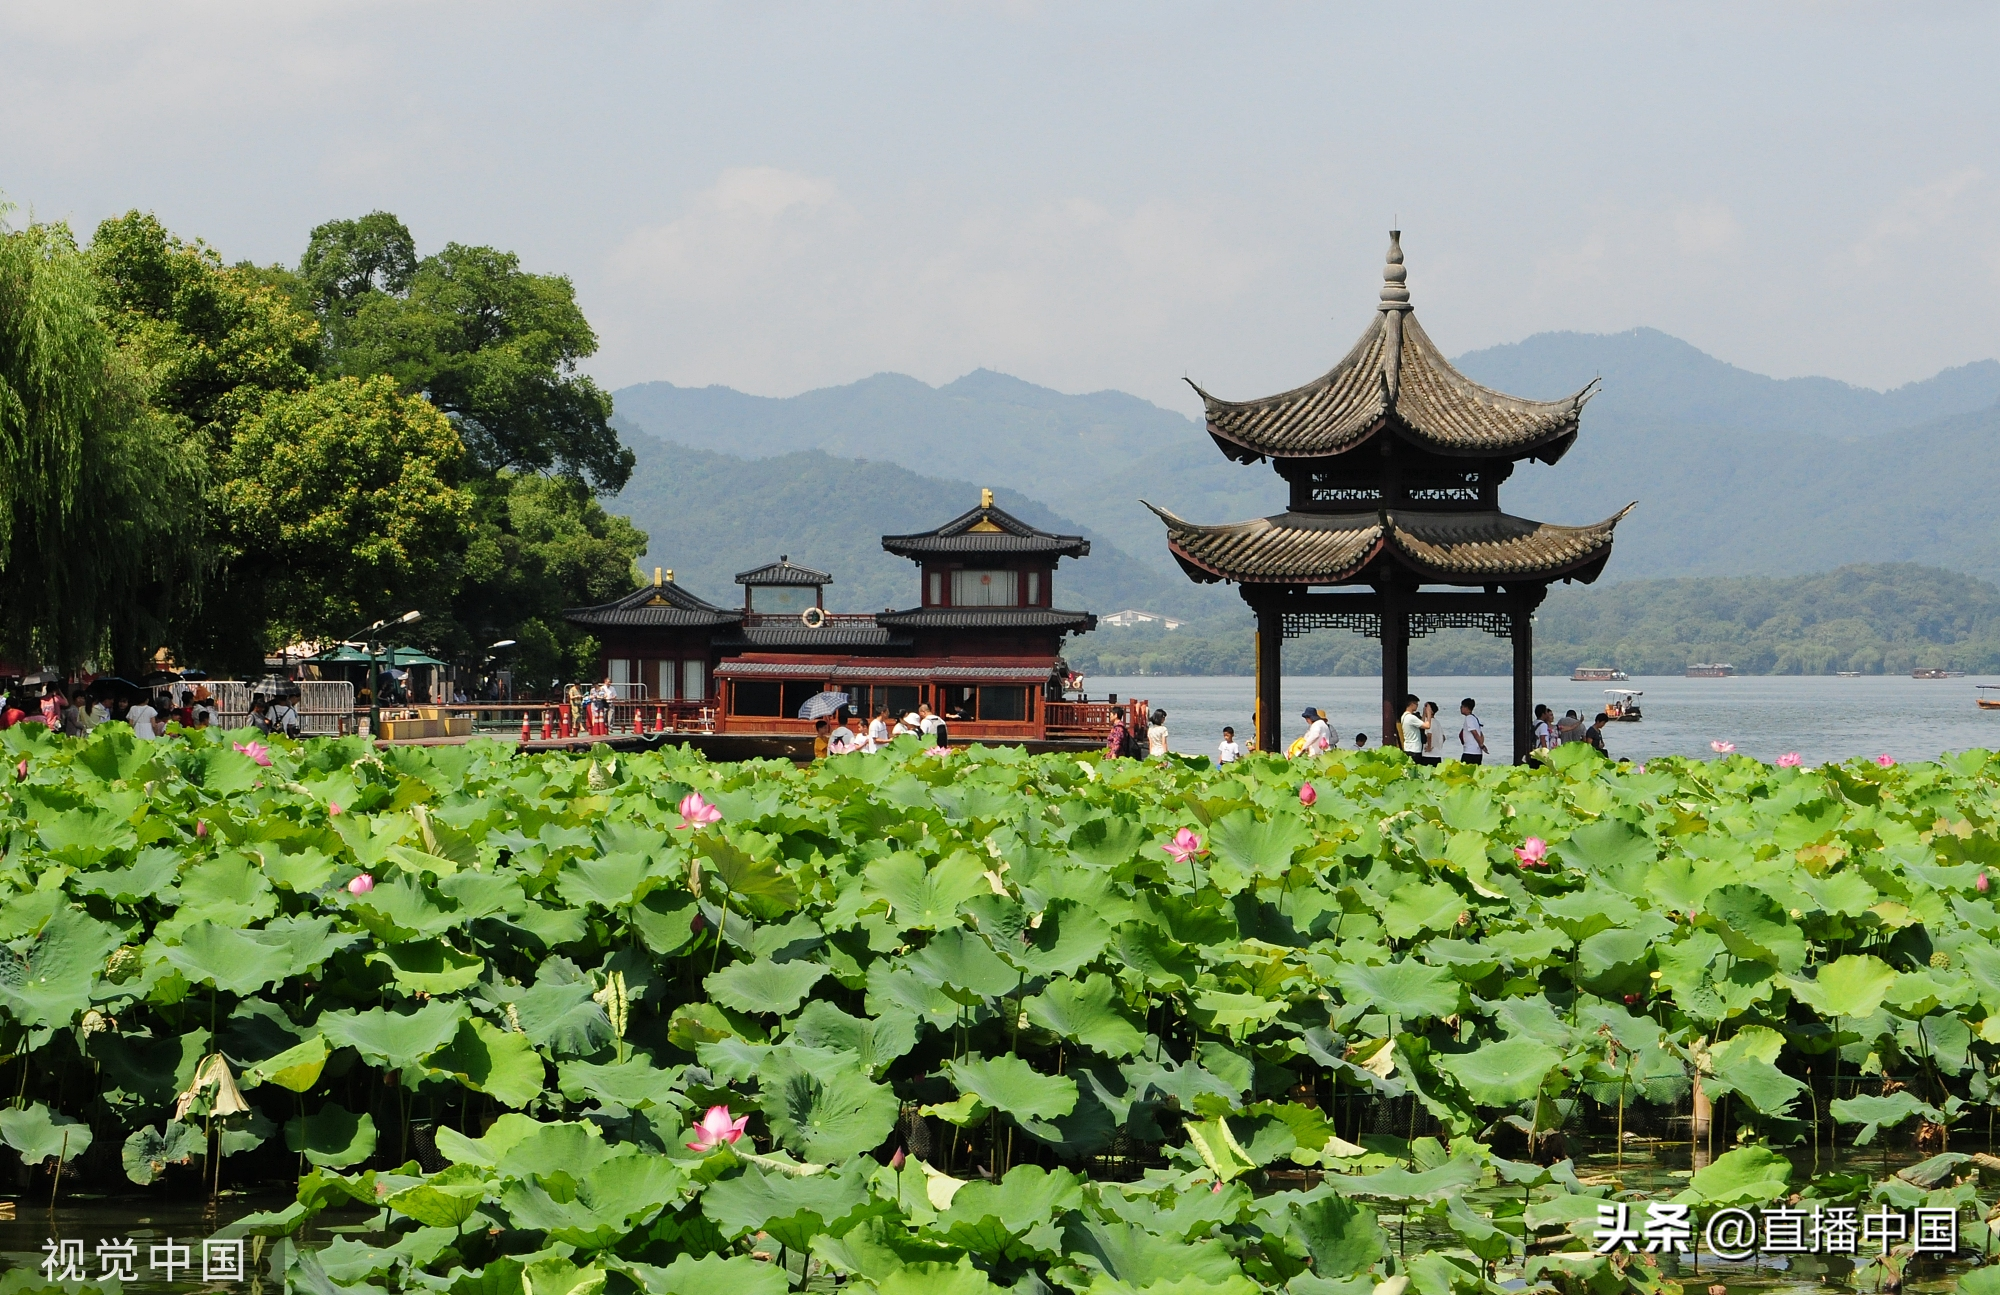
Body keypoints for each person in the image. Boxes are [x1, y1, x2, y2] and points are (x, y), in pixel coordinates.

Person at [1398, 694, 1430, 763]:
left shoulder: (1404, 716)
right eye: (1416, 704)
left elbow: (1420, 723)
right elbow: (1427, 726)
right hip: (1414, 749)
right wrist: (1429, 714)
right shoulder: (1411, 717)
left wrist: (1424, 714)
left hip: (1408, 748)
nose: (1417, 706)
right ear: (1412, 704)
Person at [1457, 698, 1488, 765]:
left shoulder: (1469, 718)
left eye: (1461, 706)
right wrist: (1481, 745)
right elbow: (1481, 734)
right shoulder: (1474, 718)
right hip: (1477, 752)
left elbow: (1474, 732)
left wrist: (1481, 745)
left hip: (1470, 751)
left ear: (1466, 707)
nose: (1460, 708)